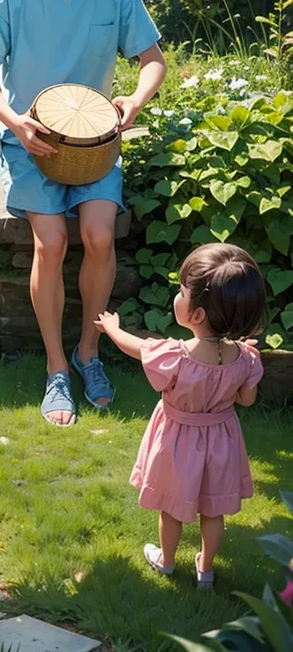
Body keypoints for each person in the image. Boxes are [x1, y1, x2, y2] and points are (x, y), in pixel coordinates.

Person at [0, 0, 166, 427]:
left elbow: (153, 61)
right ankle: (57, 368)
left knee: (100, 234)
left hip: (97, 144)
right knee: (51, 243)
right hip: (28, 141)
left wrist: (133, 100)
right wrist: (15, 122)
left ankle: (88, 352)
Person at [95, 243, 266, 588]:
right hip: (222, 441)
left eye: (182, 290)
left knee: (172, 508)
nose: (178, 294)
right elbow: (246, 401)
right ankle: (206, 568)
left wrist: (112, 328)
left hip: (178, 441)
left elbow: (137, 347)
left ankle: (167, 561)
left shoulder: (177, 356)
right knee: (212, 510)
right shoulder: (246, 358)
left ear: (198, 314)